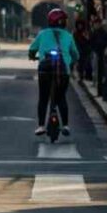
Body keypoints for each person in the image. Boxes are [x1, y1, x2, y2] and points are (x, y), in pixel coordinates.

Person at [28, 8, 79, 137]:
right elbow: (76, 55)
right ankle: (66, 125)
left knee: (43, 98)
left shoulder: (42, 34)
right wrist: (70, 62)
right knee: (61, 97)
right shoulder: (68, 36)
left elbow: (32, 49)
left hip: (44, 71)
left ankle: (41, 125)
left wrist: (33, 56)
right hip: (63, 72)